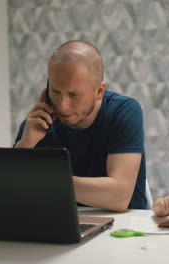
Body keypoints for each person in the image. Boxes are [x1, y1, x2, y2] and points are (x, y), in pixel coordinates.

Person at [14, 40, 147, 211]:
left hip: (123, 228)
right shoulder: (36, 125)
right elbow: (12, 197)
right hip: (60, 223)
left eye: (74, 95)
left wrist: (49, 181)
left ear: (99, 91)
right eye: (55, 92)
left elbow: (119, 196)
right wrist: (25, 146)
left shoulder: (124, 112)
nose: (63, 105)